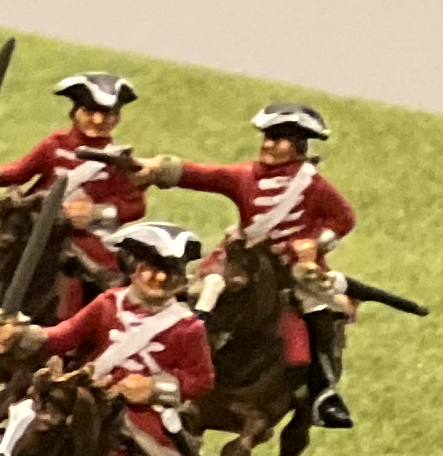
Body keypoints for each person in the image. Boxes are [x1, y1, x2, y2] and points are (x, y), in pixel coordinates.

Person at [0, 215, 215, 456]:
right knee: (22, 426)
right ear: (134, 268)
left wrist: (153, 388)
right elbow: (65, 335)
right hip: (88, 393)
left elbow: (201, 379)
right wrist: (22, 335)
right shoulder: (108, 303)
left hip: (142, 414)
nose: (160, 279)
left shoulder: (188, 328)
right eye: (152, 269)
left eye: (171, 273)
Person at [143, 102, 360, 430]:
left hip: (292, 271)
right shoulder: (246, 176)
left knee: (318, 319)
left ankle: (323, 392)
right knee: (190, 293)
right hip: (243, 260)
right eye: (268, 137)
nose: (269, 145)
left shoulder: (312, 185)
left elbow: (344, 218)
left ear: (298, 146)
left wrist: (316, 243)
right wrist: (158, 168)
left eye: (279, 139)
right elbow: (206, 176)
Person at [0, 70, 153, 274]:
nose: (97, 120)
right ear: (75, 112)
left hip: (83, 233)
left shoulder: (119, 159)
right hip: (36, 221)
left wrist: (95, 212)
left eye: (106, 114)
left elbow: (135, 206)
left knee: (88, 272)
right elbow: (18, 172)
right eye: (89, 111)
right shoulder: (55, 144)